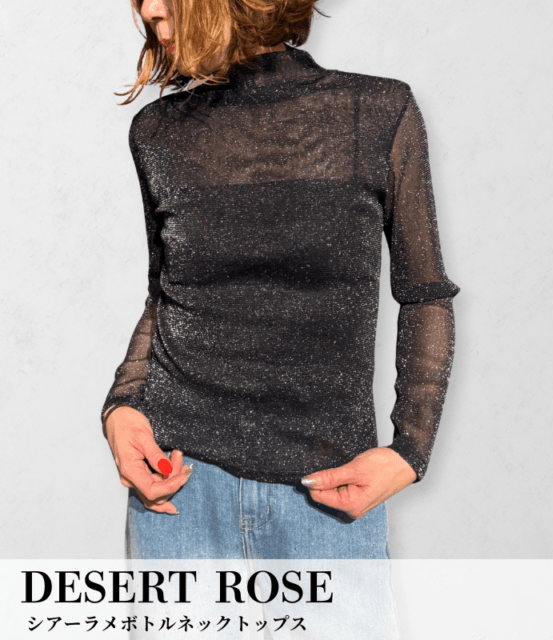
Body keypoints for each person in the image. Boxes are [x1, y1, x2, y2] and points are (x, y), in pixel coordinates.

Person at [101, 0, 460, 636]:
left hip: (327, 499)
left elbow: (425, 292)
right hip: (179, 494)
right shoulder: (158, 132)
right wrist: (123, 406)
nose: (149, 7)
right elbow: (166, 293)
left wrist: (410, 450)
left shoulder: (375, 112)